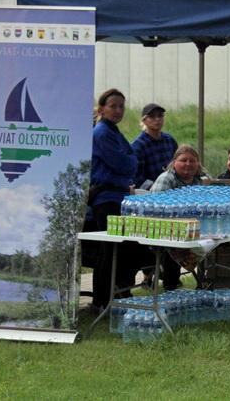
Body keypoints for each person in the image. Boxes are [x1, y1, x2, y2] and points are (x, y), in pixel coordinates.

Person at [87, 88, 151, 308]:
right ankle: (101, 301)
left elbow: (131, 159)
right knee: (109, 249)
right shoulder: (102, 133)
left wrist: (129, 160)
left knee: (126, 246)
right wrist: (129, 160)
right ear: (101, 109)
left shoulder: (113, 131)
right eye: (113, 106)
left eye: (121, 106)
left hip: (119, 196)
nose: (117, 110)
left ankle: (118, 291)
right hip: (106, 198)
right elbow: (125, 163)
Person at [150, 144, 208, 290]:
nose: (188, 164)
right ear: (174, 162)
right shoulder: (166, 179)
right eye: (183, 160)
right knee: (174, 245)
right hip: (164, 231)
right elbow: (156, 211)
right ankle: (171, 286)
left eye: (192, 160)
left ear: (198, 163)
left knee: (213, 242)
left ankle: (207, 282)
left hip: (194, 230)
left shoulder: (201, 180)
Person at [132, 103, 178, 190]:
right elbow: (137, 177)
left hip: (172, 188)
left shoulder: (169, 140)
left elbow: (178, 163)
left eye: (160, 116)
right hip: (148, 193)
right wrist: (157, 187)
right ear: (144, 121)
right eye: (152, 116)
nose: (157, 119)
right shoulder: (138, 146)